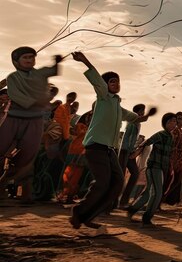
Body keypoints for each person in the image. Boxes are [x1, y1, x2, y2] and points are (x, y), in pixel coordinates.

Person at [69, 52, 152, 229]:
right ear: (105, 85)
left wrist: (147, 116)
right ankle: (79, 212)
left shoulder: (117, 105)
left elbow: (135, 118)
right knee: (102, 182)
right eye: (112, 81)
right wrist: (85, 61)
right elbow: (96, 79)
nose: (116, 84)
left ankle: (87, 215)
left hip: (109, 150)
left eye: (117, 81)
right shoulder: (103, 96)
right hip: (96, 146)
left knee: (117, 183)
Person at [0, 47, 63, 188]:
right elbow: (16, 95)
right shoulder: (12, 77)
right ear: (16, 62)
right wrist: (36, 102)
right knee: (1, 145)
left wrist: (57, 62)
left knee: (28, 154)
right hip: (13, 118)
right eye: (25, 57)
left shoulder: (40, 73)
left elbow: (53, 71)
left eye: (32, 57)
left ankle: (6, 181)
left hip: (34, 120)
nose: (29, 60)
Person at [127, 112, 177, 226]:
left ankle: (132, 210)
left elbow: (168, 154)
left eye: (174, 122)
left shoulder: (171, 137)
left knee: (148, 193)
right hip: (154, 167)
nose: (173, 124)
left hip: (160, 168)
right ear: (165, 123)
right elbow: (146, 142)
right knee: (157, 193)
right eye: (170, 122)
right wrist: (136, 153)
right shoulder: (160, 134)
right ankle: (147, 218)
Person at [59, 111, 92, 204]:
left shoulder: (81, 124)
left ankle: (66, 194)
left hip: (74, 149)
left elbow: (74, 132)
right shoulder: (88, 127)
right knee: (75, 174)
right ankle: (68, 195)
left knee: (69, 173)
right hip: (81, 150)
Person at [118, 104, 145, 208]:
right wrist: (131, 152)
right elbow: (127, 138)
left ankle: (124, 200)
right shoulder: (132, 122)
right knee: (120, 176)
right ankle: (114, 201)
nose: (142, 113)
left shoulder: (137, 123)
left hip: (129, 151)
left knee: (135, 174)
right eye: (141, 111)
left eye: (143, 111)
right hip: (125, 151)